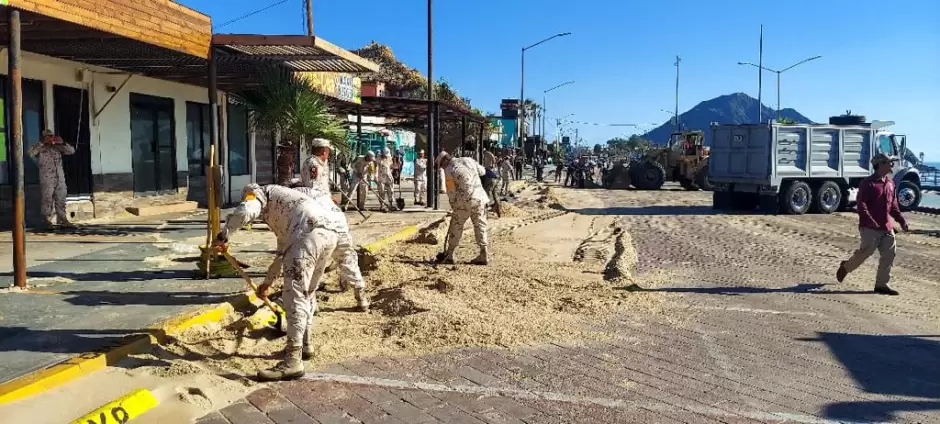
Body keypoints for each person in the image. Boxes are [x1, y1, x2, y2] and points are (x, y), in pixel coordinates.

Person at [214, 184, 365, 381]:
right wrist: (267, 283)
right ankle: (305, 344)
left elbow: (245, 211)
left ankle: (292, 361)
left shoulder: (261, 193)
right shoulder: (286, 207)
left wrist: (223, 235)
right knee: (307, 293)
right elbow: (282, 254)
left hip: (308, 234)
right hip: (329, 235)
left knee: (294, 296)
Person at [836, 153, 909, 295]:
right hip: (869, 227)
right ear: (880, 165)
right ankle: (846, 266)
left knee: (889, 254)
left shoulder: (890, 183)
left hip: (886, 227)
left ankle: (881, 285)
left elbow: (893, 206)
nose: (892, 165)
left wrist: (901, 221)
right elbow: (861, 205)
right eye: (889, 163)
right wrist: (871, 220)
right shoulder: (868, 183)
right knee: (866, 252)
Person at [436, 151, 490, 265]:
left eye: (441, 165)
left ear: (444, 161)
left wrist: (454, 207)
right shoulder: (468, 160)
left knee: (456, 226)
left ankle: (449, 255)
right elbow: (483, 171)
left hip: (463, 203)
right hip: (480, 198)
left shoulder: (449, 170)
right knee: (480, 224)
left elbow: (451, 192)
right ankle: (483, 252)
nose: (442, 167)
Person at [28, 129, 76, 229]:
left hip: (59, 177)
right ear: (43, 137)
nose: (50, 138)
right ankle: (47, 220)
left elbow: (71, 151)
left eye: (51, 136)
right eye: (48, 136)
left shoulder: (57, 147)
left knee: (61, 198)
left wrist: (62, 142)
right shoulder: (39, 147)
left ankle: (63, 219)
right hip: (47, 178)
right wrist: (42, 143)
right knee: (47, 199)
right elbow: (30, 153)